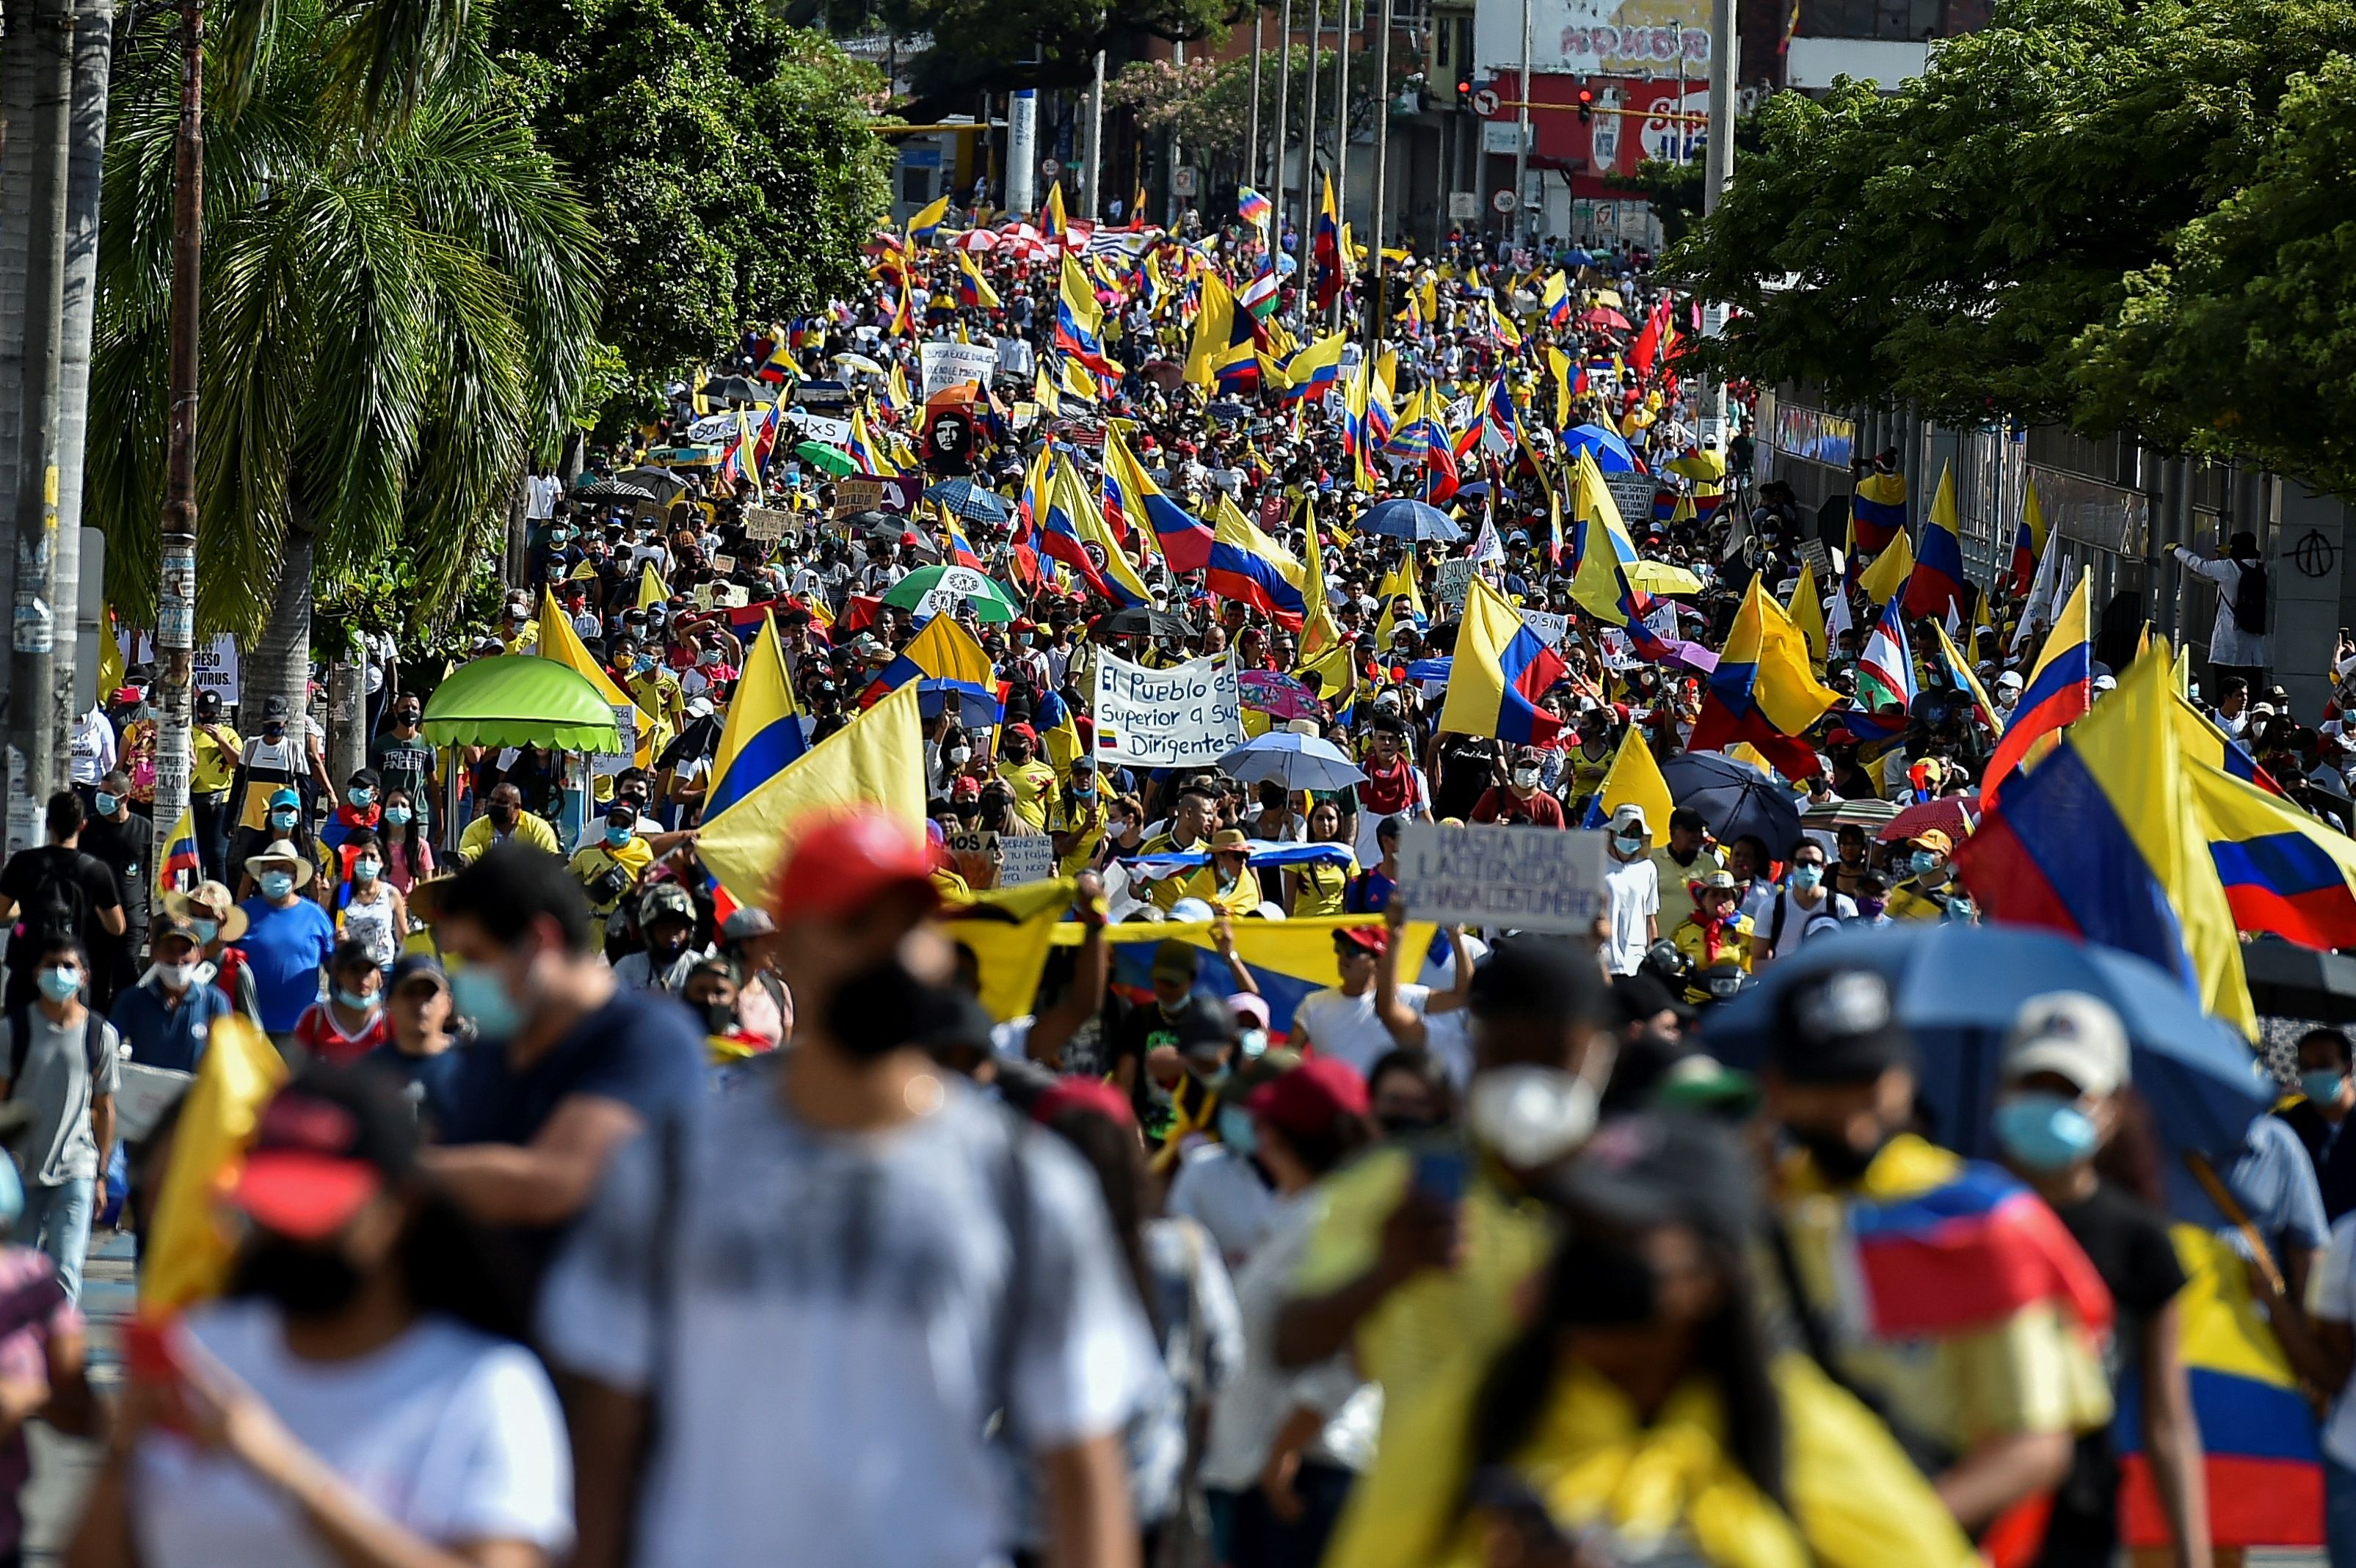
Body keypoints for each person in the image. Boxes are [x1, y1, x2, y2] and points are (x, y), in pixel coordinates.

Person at [538, 807, 1158, 1567]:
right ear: (788, 949)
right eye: (856, 923)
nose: (887, 953)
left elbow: (1083, 1464)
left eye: (908, 928)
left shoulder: (1023, 1186)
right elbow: (601, 1441)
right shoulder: (671, 1171)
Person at [70, 1064, 575, 1568]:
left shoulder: (486, 1387)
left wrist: (281, 1469)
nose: (287, 1231)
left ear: (403, 1206)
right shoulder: (197, 1354)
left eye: (319, 1209)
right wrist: (121, 1453)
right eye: (269, 1205)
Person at [1276, 936, 1622, 1568]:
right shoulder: (1390, 1187)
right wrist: (1388, 1268)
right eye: (1505, 1052)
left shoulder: (1646, 1201)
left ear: (1597, 1052)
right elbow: (1292, 1341)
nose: (1527, 1074)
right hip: (1409, 1540)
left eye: (1552, 1054)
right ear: (1477, 1047)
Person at [1762, 967, 2113, 1542]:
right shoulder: (1751, 1214)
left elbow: (2036, 1444)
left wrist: (1882, 1539)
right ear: (1778, 1087)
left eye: (1868, 1084)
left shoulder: (1982, 1220)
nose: (1852, 1121)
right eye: (1825, 1087)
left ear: (1903, 1078)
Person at [1987, 994, 2211, 1568]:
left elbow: (2169, 1424)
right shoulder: (1960, 1220)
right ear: (2001, 1094)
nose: (2046, 1105)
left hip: (2078, 1528)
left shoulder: (2141, 1240)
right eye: (2032, 1086)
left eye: (2068, 1091)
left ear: (2111, 1107)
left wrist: (2194, 1557)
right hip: (1966, 1518)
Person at [421, 844, 705, 1286]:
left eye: (476, 959)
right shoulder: (498, 1047)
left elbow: (555, 1181)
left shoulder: (650, 1040)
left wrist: (389, 1168)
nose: (467, 980)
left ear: (539, 943)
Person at [1031, 1078, 1244, 1561]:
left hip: (1032, 1507)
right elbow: (1222, 1364)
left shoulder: (1014, 1256)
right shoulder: (1182, 1251)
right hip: (1148, 1498)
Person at [1199, 1058, 1383, 1568]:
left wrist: (1285, 1451)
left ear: (1283, 1137)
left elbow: (1358, 1348)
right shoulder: (1297, 1215)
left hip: (1302, 1475)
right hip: (1260, 1469)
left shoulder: (1333, 1223)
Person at [0, 938, 119, 1302]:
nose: (59, 974)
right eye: (51, 966)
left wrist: (101, 1174)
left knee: (66, 1271)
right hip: (21, 1174)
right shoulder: (12, 1031)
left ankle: (58, 1350)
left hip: (77, 1169)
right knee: (15, 1276)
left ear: (84, 977)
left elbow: (104, 1108)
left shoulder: (100, 1034)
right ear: (36, 974)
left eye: (69, 966)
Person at [1289, 916, 1468, 1079]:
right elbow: (1288, 1057)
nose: (1343, 956)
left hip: (1387, 1109)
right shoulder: (1312, 1004)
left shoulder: (1404, 997)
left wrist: (1456, 939)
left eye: (1353, 950)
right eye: (1340, 947)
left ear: (1378, 961)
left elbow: (1462, 995)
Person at [0, 790, 126, 1014]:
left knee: (20, 1039)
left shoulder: (23, 862)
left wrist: (22, 909)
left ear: (48, 824)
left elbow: (1, 911)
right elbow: (117, 927)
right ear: (83, 825)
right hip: (71, 968)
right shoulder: (96, 870)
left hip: (27, 968)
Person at [236, 839, 338, 1047]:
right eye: (269, 869)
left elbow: (335, 967)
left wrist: (343, 949)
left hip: (301, 1029)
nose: (275, 873)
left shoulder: (315, 916)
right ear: (260, 876)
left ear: (294, 877)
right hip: (250, 1027)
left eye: (282, 868)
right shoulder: (243, 914)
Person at [109, 914, 235, 1074]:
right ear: (154, 952)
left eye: (185, 950)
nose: (177, 959)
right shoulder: (132, 1000)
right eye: (169, 950)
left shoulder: (214, 1002)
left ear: (199, 954)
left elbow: (227, 1060)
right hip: (144, 1094)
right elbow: (108, 1048)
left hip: (195, 1097)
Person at [76, 769, 149, 1010]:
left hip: (132, 918)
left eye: (108, 794)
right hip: (95, 918)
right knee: (96, 984)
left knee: (127, 977)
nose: (101, 798)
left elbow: (152, 872)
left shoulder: (144, 829)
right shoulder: (88, 828)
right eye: (100, 792)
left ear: (125, 798)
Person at [2171, 531, 2268, 696]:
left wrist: (2177, 550)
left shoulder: (2227, 568)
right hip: (2254, 654)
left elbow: (2199, 564)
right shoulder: (2262, 571)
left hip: (2227, 650)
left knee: (2226, 698)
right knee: (2250, 701)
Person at [2280, 1027, 2356, 1221]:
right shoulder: (2287, 1126)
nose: (2314, 1073)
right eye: (2307, 1066)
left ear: (2347, 1067)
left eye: (2324, 1064)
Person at [1751, 838, 1857, 967]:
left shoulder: (1843, 906)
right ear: (1791, 867)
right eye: (1802, 863)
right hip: (1788, 983)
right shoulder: (1771, 908)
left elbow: (1855, 957)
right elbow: (1756, 964)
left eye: (1815, 863)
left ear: (1823, 868)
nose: (1809, 868)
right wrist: (1791, 966)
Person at [291, 940, 393, 1065]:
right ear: (339, 975)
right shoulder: (315, 1018)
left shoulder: (391, 1022)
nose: (362, 977)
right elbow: (297, 1069)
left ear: (380, 977)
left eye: (368, 970)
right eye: (354, 969)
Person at [1671, 868, 1755, 1004]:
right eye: (1714, 894)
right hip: (1696, 1002)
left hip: (1740, 1002)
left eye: (1726, 895)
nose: (1720, 900)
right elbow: (1675, 969)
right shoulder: (1684, 930)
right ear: (1703, 900)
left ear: (1734, 901)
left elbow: (1761, 962)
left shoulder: (1748, 927)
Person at [331, 830, 409, 974]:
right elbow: (327, 931)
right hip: (349, 968)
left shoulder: (391, 893)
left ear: (381, 862)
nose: (367, 862)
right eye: (361, 856)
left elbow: (403, 937)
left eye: (372, 856)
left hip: (383, 969)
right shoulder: (340, 892)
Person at [1601, 803, 1662, 977]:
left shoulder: (1648, 868)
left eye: (1635, 833)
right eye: (1624, 831)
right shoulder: (1596, 863)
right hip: (1604, 962)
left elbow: (1650, 918)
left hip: (1636, 962)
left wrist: (1653, 954)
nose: (1629, 837)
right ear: (1612, 833)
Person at [611, 882, 706, 993]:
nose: (671, 936)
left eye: (677, 928)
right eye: (663, 928)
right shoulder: (628, 967)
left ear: (689, 931)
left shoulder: (699, 968)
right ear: (649, 933)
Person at [1649, 806, 1723, 934]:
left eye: (1700, 830)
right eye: (1690, 830)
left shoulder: (1710, 863)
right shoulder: (1651, 860)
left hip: (1696, 946)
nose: (1697, 835)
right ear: (1673, 833)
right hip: (1658, 945)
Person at [457, 782, 561, 861]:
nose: (494, 805)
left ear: (517, 807)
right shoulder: (475, 828)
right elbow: (470, 853)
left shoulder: (538, 828)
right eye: (491, 800)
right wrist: (464, 860)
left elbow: (549, 860)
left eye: (501, 802)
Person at [1469, 746, 1566, 826]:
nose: (1527, 771)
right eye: (1522, 767)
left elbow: (1561, 844)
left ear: (1540, 771)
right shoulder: (1493, 795)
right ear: (1512, 770)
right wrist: (1492, 829)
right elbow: (1471, 827)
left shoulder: (1550, 805)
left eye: (1532, 767)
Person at [1886, 828, 1964, 920]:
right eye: (1918, 850)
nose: (1919, 854)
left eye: (1928, 851)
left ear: (1944, 860)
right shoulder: (1900, 889)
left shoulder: (1955, 896)